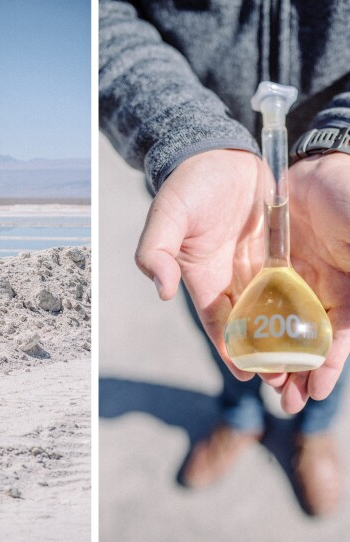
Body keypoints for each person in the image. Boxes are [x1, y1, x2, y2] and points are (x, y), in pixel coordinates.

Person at [100, 0, 350, 516]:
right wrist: (186, 137)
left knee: (334, 317)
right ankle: (240, 417)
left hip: (331, 188)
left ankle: (315, 430)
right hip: (211, 188)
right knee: (219, 307)